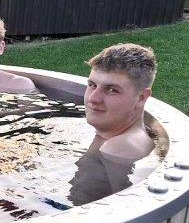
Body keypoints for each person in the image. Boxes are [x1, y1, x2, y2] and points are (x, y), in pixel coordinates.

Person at [68, 43, 159, 205]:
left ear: (141, 97)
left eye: (111, 89)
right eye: (92, 85)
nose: (93, 98)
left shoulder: (120, 147)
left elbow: (127, 209)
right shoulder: (115, 137)